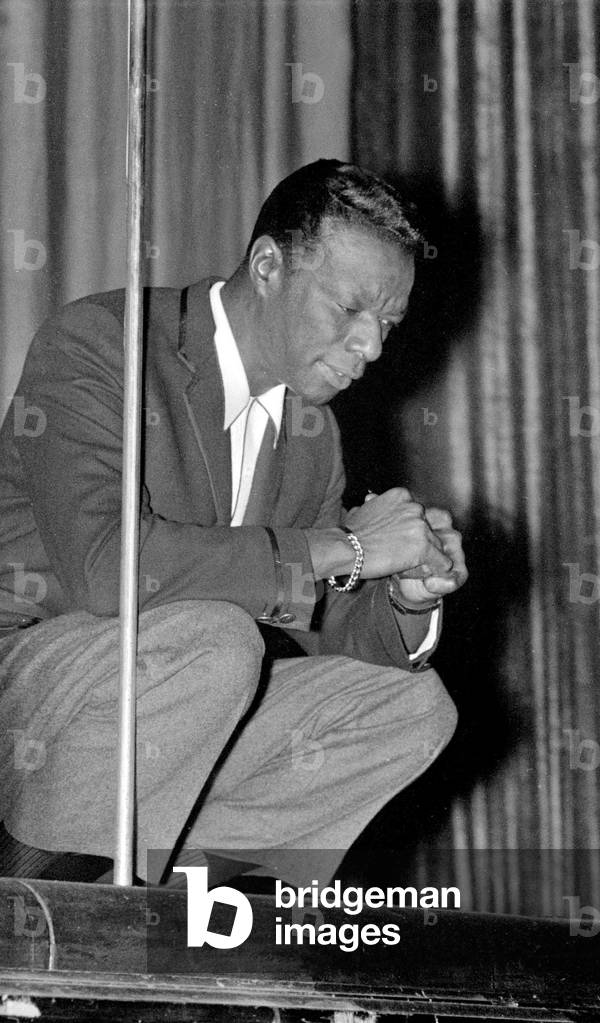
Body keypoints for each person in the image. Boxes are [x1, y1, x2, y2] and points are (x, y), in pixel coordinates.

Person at [0, 159, 467, 885]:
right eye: (350, 310)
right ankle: (46, 889)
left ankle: (177, 904)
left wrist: (407, 595)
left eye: (388, 324)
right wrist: (341, 545)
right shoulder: (100, 342)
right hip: (33, 685)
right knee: (218, 642)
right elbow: (105, 567)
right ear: (269, 265)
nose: (372, 347)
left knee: (411, 708)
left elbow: (332, 624)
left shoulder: (312, 434)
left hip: (180, 701)